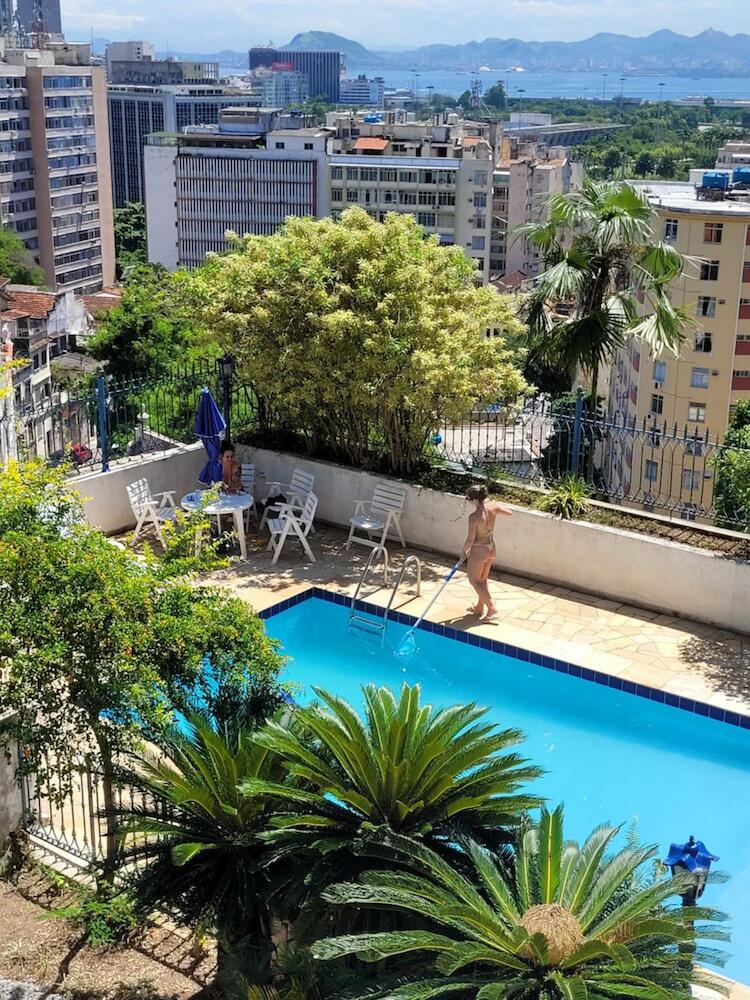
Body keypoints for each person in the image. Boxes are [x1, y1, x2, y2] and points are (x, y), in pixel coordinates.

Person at [462, 484, 512, 620]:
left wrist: (463, 552)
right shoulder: (493, 507)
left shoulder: (474, 517)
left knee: (474, 580)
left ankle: (492, 608)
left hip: (480, 550)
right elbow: (509, 513)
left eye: (468, 499)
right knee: (482, 580)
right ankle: (479, 607)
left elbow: (471, 539)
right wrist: (497, 505)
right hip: (491, 547)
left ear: (474, 499)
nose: (468, 501)